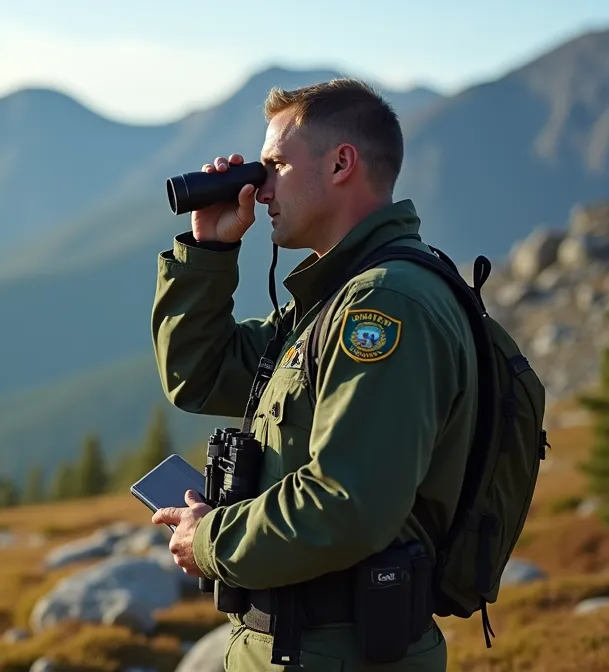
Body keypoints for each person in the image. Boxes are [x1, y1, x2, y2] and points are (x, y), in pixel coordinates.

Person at [149, 78, 478, 671]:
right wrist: (210, 250)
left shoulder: (383, 308)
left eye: (275, 163)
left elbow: (347, 502)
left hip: (339, 649)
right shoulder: (329, 304)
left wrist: (208, 538)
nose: (261, 186)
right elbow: (198, 374)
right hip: (298, 646)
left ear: (340, 164)